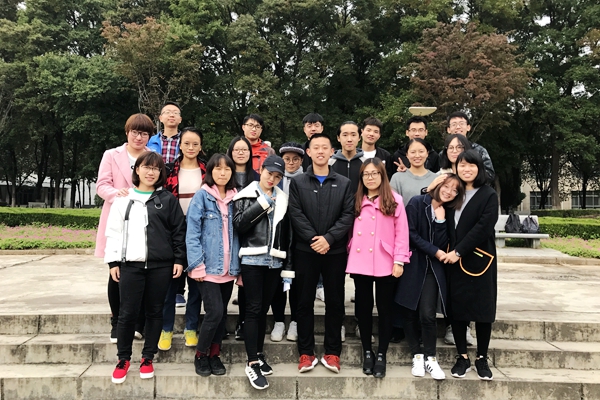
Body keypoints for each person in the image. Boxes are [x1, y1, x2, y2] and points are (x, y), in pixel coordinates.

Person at [105, 151, 186, 384]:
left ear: (161, 173)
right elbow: (114, 232)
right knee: (127, 313)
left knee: (154, 311)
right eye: (146, 167)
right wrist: (113, 262)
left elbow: (178, 232)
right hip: (130, 265)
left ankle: (148, 357)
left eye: (156, 168)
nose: (151, 172)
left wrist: (179, 259)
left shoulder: (167, 200)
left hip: (161, 266)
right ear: (137, 170)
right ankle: (123, 359)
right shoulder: (124, 199)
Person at [288, 133, 354, 374]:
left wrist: (329, 239)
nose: (320, 151)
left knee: (335, 302)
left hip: (334, 251)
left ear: (331, 151)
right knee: (303, 302)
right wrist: (314, 239)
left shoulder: (344, 183)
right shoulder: (298, 182)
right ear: (308, 152)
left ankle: (332, 352)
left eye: (324, 147)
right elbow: (295, 213)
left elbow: (348, 214)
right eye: (315, 147)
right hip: (305, 251)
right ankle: (306, 352)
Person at [395, 174, 465, 381]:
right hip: (413, 263)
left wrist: (441, 221)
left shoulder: (449, 212)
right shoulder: (417, 202)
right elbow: (410, 233)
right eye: (447, 186)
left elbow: (444, 241)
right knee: (409, 311)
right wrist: (434, 250)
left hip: (433, 268)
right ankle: (416, 355)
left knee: (427, 314)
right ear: (438, 184)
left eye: (454, 190)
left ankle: (431, 357)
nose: (449, 192)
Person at [345, 158, 410, 379]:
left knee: (385, 309)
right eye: (366, 174)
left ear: (382, 175)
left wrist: (399, 260)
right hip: (360, 260)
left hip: (386, 260)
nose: (370, 177)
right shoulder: (356, 199)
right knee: (363, 309)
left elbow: (402, 233)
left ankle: (382, 353)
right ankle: (367, 351)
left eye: (374, 173)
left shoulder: (394, 200)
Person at [233, 155, 293, 390]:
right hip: (252, 258)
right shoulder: (246, 194)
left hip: (274, 262)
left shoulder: (284, 198)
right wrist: (263, 203)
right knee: (253, 309)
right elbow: (239, 225)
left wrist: (287, 266)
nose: (272, 179)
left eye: (277, 176)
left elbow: (287, 235)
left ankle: (258, 353)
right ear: (261, 170)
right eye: (269, 174)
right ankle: (251, 362)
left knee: (263, 310)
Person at [96, 113, 154, 343]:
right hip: (119, 218)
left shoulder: (153, 156)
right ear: (127, 132)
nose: (139, 137)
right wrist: (116, 193)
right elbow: (102, 185)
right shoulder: (111, 155)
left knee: (143, 273)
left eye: (144, 133)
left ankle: (138, 323)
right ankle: (117, 322)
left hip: (145, 222)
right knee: (117, 272)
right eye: (135, 132)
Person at [443, 150, 499, 381]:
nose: (466, 169)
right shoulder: (453, 192)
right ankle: (463, 357)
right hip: (452, 260)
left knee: (483, 310)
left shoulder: (488, 194)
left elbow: (483, 227)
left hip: (480, 259)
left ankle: (482, 358)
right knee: (458, 309)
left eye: (471, 165)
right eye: (462, 165)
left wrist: (459, 251)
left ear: (479, 168)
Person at [186, 153, 240, 377]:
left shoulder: (237, 198)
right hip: (207, 268)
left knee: (222, 313)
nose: (222, 173)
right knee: (214, 312)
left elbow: (241, 235)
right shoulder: (202, 196)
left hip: (228, 268)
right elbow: (192, 233)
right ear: (210, 171)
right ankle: (201, 354)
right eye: (218, 168)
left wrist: (239, 267)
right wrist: (196, 265)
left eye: (227, 169)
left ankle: (214, 354)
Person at [158, 127, 206, 351]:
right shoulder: (168, 170)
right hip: (173, 233)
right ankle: (166, 329)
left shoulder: (207, 170)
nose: (191, 147)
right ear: (180, 145)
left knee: (196, 283)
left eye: (195, 144)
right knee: (170, 285)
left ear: (200, 146)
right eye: (186, 143)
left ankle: (191, 327)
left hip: (200, 233)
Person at [269, 142, 305, 342]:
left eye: (295, 159)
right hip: (278, 236)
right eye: (287, 159)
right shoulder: (275, 180)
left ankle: (296, 321)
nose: (291, 163)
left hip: (300, 236)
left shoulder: (306, 179)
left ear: (301, 161)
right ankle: (279, 320)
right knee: (276, 280)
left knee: (298, 281)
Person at [226, 136, 260, 341]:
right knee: (222, 279)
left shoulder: (257, 178)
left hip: (249, 233)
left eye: (244, 150)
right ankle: (219, 322)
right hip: (224, 231)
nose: (240, 153)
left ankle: (243, 323)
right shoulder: (223, 174)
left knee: (245, 281)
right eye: (236, 149)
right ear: (230, 152)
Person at [446, 111, 495, 183]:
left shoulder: (479, 150)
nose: (458, 127)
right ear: (448, 129)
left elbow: (490, 175)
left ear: (468, 127)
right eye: (454, 124)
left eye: (461, 124)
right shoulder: (444, 153)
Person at [390, 138, 438, 206]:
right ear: (407, 155)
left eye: (421, 151)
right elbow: (391, 204)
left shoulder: (436, 178)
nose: (417, 155)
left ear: (427, 153)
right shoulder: (397, 178)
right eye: (413, 152)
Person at [329, 121, 366, 193]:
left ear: (359, 137)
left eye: (353, 135)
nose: (349, 139)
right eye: (345, 135)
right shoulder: (329, 164)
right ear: (338, 138)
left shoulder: (367, 163)